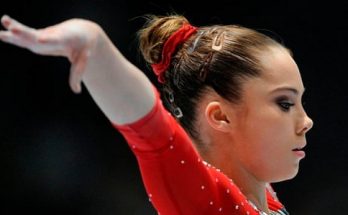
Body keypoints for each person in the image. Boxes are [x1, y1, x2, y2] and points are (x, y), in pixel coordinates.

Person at [0, 13, 313, 215]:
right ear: (221, 117)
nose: (306, 121)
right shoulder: (210, 204)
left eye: (300, 102)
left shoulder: (263, 199)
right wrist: (94, 45)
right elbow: (153, 133)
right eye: (285, 104)